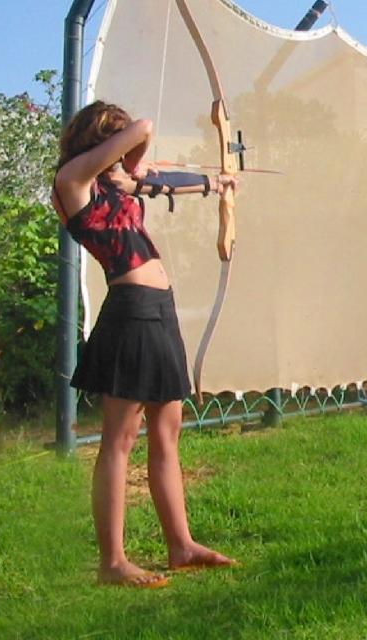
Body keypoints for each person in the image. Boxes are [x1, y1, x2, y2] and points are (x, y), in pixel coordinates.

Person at [52, 101, 236, 588]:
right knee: (119, 439)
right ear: (101, 144)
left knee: (167, 432)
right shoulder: (73, 183)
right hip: (130, 310)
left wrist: (216, 185)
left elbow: (156, 181)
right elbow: (145, 127)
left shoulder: (117, 185)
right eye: (116, 146)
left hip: (159, 309)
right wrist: (133, 157)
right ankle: (112, 562)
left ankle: (181, 545)